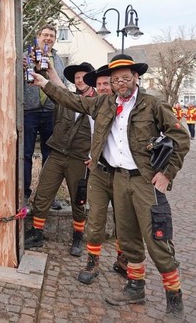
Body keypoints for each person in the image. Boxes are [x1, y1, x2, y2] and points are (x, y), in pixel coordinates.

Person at [31, 54, 190, 321]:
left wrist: (166, 173)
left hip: (143, 180)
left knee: (156, 239)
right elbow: (72, 100)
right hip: (117, 178)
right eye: (116, 80)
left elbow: (180, 137)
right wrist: (45, 83)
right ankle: (135, 287)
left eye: (126, 78)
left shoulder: (151, 105)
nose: (121, 84)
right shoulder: (103, 103)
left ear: (135, 78)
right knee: (127, 237)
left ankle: (174, 299)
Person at [24, 62, 96, 257]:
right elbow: (55, 90)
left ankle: (78, 236)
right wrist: (46, 73)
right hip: (57, 153)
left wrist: (93, 157)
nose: (80, 80)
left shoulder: (99, 103)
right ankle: (37, 233)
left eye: (84, 76)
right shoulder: (67, 98)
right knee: (43, 194)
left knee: (78, 200)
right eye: (77, 77)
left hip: (79, 159)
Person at [77, 65, 128, 284]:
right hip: (99, 170)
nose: (103, 87)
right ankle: (92, 261)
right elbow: (94, 134)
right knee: (96, 219)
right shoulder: (96, 105)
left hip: (124, 173)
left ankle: (123, 259)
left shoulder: (132, 106)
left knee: (124, 220)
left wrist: (162, 172)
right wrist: (92, 155)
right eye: (98, 85)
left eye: (106, 83)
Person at [23, 25, 57, 204]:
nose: (48, 38)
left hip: (51, 110)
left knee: (50, 155)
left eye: (52, 35)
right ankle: (25, 192)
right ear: (38, 37)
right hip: (30, 110)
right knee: (26, 153)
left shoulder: (57, 59)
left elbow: (61, 83)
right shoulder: (25, 56)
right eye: (45, 35)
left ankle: (47, 196)